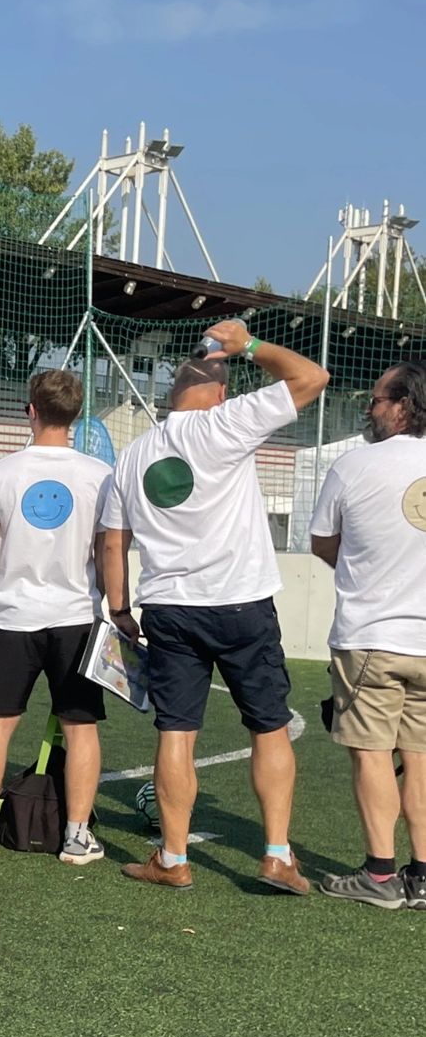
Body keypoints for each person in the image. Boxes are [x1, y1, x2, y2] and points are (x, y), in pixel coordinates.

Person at [101, 319, 328, 893]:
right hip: (241, 603)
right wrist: (247, 345)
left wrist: (121, 610)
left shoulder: (133, 456)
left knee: (176, 731)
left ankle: (173, 858)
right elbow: (312, 376)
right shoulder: (228, 423)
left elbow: (112, 541)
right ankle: (277, 855)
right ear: (222, 392)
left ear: (170, 394)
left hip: (170, 608)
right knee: (270, 726)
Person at [0, 370, 110, 865]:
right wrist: (108, 596)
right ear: (77, 416)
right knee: (80, 727)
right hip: (76, 617)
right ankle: (75, 835)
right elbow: (108, 549)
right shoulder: (98, 475)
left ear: (31, 410)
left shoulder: (1, 472)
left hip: (14, 617)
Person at [310, 360, 426, 909]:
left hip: (372, 635)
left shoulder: (354, 466)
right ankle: (422, 875)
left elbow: (322, 542)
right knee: (421, 755)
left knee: (372, 753)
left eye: (378, 399)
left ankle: (380, 875)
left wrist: (367, 570)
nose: (370, 408)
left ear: (403, 406)